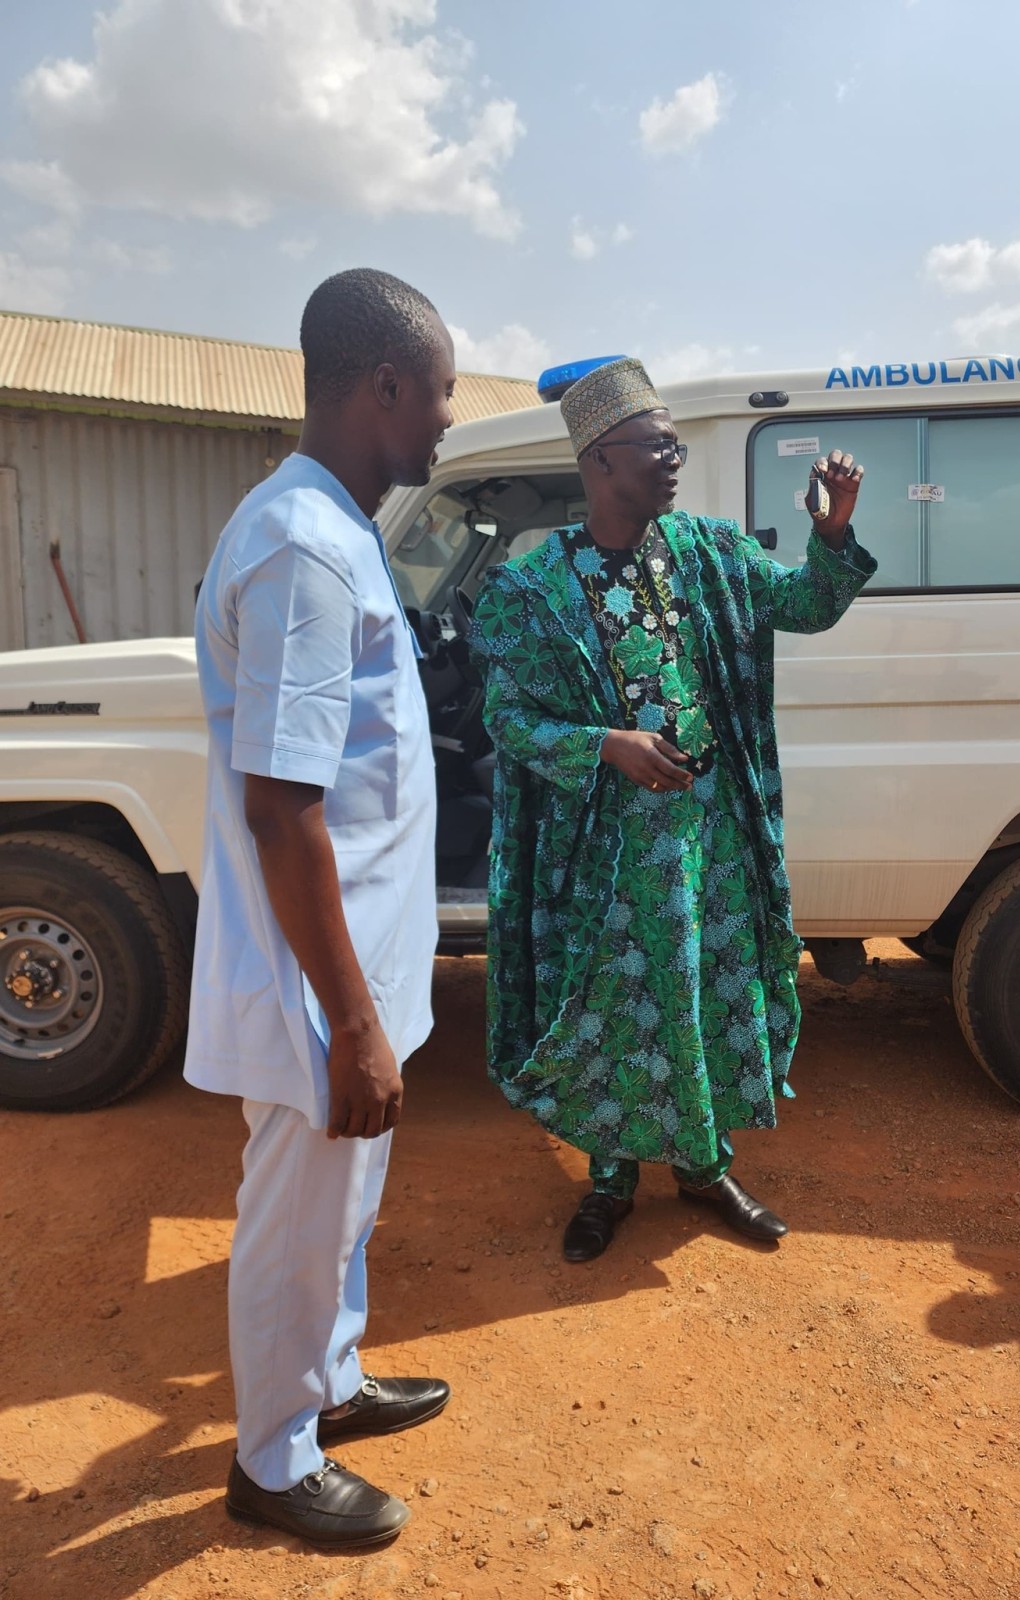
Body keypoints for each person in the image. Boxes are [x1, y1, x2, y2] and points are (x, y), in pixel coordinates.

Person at [472, 357, 876, 1263]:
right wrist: (605, 745)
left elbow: (806, 605)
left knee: (704, 991)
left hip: (710, 837)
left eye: (674, 444)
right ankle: (609, 1182)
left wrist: (835, 534)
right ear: (599, 461)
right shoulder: (538, 589)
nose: (674, 460)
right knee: (615, 1005)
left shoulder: (710, 553)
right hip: (607, 848)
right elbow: (511, 720)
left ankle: (705, 1166)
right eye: (656, 446)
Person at [184, 268, 455, 1549]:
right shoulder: (301, 546)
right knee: (298, 1216)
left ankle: (330, 1384)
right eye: (443, 395)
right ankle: (271, 1458)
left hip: (358, 968)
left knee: (342, 1205)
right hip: (316, 982)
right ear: (386, 386)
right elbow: (284, 809)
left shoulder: (335, 529)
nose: (449, 422)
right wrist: (349, 1018)